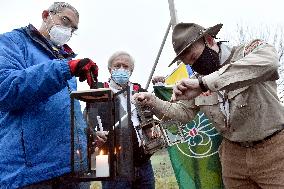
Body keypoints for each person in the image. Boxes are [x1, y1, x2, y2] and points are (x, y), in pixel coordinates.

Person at [134, 22, 284, 188]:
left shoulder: (248, 51)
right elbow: (184, 113)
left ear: (209, 40)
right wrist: (152, 101)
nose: (194, 65)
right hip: (233, 156)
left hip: (274, 151)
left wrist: (205, 84)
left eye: (194, 58)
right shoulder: (198, 79)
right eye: (188, 63)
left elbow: (270, 63)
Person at [0, 2, 100, 188]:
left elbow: (64, 111)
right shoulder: (12, 43)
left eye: (73, 28)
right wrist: (65, 69)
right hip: (31, 174)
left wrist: (87, 134)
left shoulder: (64, 59)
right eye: (65, 20)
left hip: (70, 169)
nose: (68, 30)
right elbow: (5, 89)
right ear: (46, 15)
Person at [101, 51, 155, 189]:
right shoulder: (98, 91)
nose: (121, 69)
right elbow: (89, 121)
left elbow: (151, 117)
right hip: (114, 167)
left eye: (125, 67)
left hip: (142, 164)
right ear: (109, 69)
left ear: (131, 71)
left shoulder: (138, 90)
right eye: (117, 65)